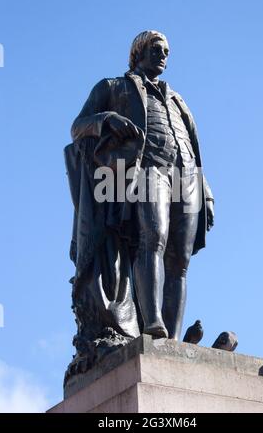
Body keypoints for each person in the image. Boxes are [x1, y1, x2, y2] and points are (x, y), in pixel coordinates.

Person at [65, 30, 214, 377]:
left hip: (186, 174)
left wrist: (205, 191)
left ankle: (171, 341)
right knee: (153, 239)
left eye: (166, 51)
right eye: (155, 49)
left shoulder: (178, 100)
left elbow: (194, 145)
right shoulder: (113, 86)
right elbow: (77, 126)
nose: (162, 55)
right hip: (147, 169)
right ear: (139, 52)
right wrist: (107, 119)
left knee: (181, 258)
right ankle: (153, 323)